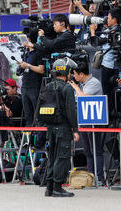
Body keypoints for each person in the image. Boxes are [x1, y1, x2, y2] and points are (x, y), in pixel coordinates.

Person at [43, 58, 79, 197]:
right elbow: (71, 111)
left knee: (51, 156)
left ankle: (49, 188)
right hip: (63, 129)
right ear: (66, 72)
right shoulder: (67, 88)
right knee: (62, 157)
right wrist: (75, 130)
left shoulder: (48, 86)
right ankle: (58, 188)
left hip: (50, 128)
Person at [69, 61, 105, 185]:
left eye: (75, 74)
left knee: (96, 151)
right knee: (88, 151)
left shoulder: (94, 83)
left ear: (81, 74)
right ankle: (90, 176)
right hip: (84, 121)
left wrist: (75, 87)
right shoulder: (84, 84)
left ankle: (99, 178)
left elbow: (84, 97)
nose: (74, 77)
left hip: (94, 122)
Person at [20, 29, 45, 127]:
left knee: (38, 114)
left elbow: (41, 69)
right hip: (25, 86)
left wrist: (28, 65)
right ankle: (28, 137)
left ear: (29, 39)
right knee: (27, 115)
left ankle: (39, 138)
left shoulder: (38, 52)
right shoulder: (26, 52)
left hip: (34, 87)